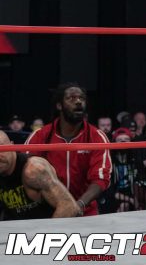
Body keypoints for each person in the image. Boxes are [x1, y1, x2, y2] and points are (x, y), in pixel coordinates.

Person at [24, 83, 112, 216]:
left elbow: (101, 178)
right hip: (47, 213)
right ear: (59, 105)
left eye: (81, 98)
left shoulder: (97, 136)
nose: (78, 101)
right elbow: (25, 172)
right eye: (71, 98)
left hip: (85, 212)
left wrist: (78, 205)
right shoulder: (40, 135)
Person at [0, 130, 80, 220]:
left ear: (12, 146)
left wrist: (46, 229)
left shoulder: (33, 170)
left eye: (1, 149)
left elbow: (69, 207)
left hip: (48, 225)